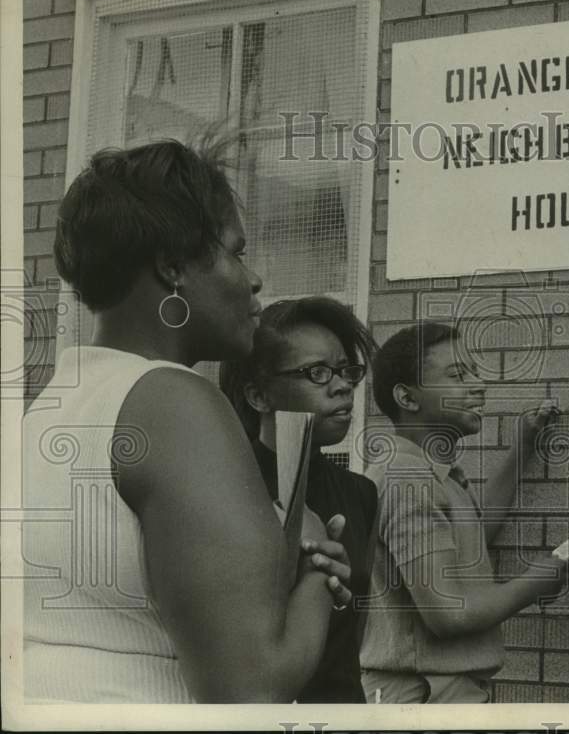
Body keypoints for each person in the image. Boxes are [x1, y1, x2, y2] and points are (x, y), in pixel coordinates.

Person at [21, 140, 352, 703]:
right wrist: (319, 563)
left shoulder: (53, 405)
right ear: (172, 264)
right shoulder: (175, 402)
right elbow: (249, 687)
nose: (254, 282)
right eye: (235, 252)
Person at [359, 322, 567, 703]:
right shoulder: (408, 479)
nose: (479, 385)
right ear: (407, 397)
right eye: (457, 375)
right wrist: (538, 581)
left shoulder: (428, 473)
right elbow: (448, 614)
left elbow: (470, 539)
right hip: (426, 696)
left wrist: (523, 448)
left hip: (434, 692)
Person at [219, 296, 378, 703]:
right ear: (259, 396)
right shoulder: (222, 485)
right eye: (317, 372)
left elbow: (352, 629)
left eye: (346, 370)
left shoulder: (360, 492)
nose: (343, 386)